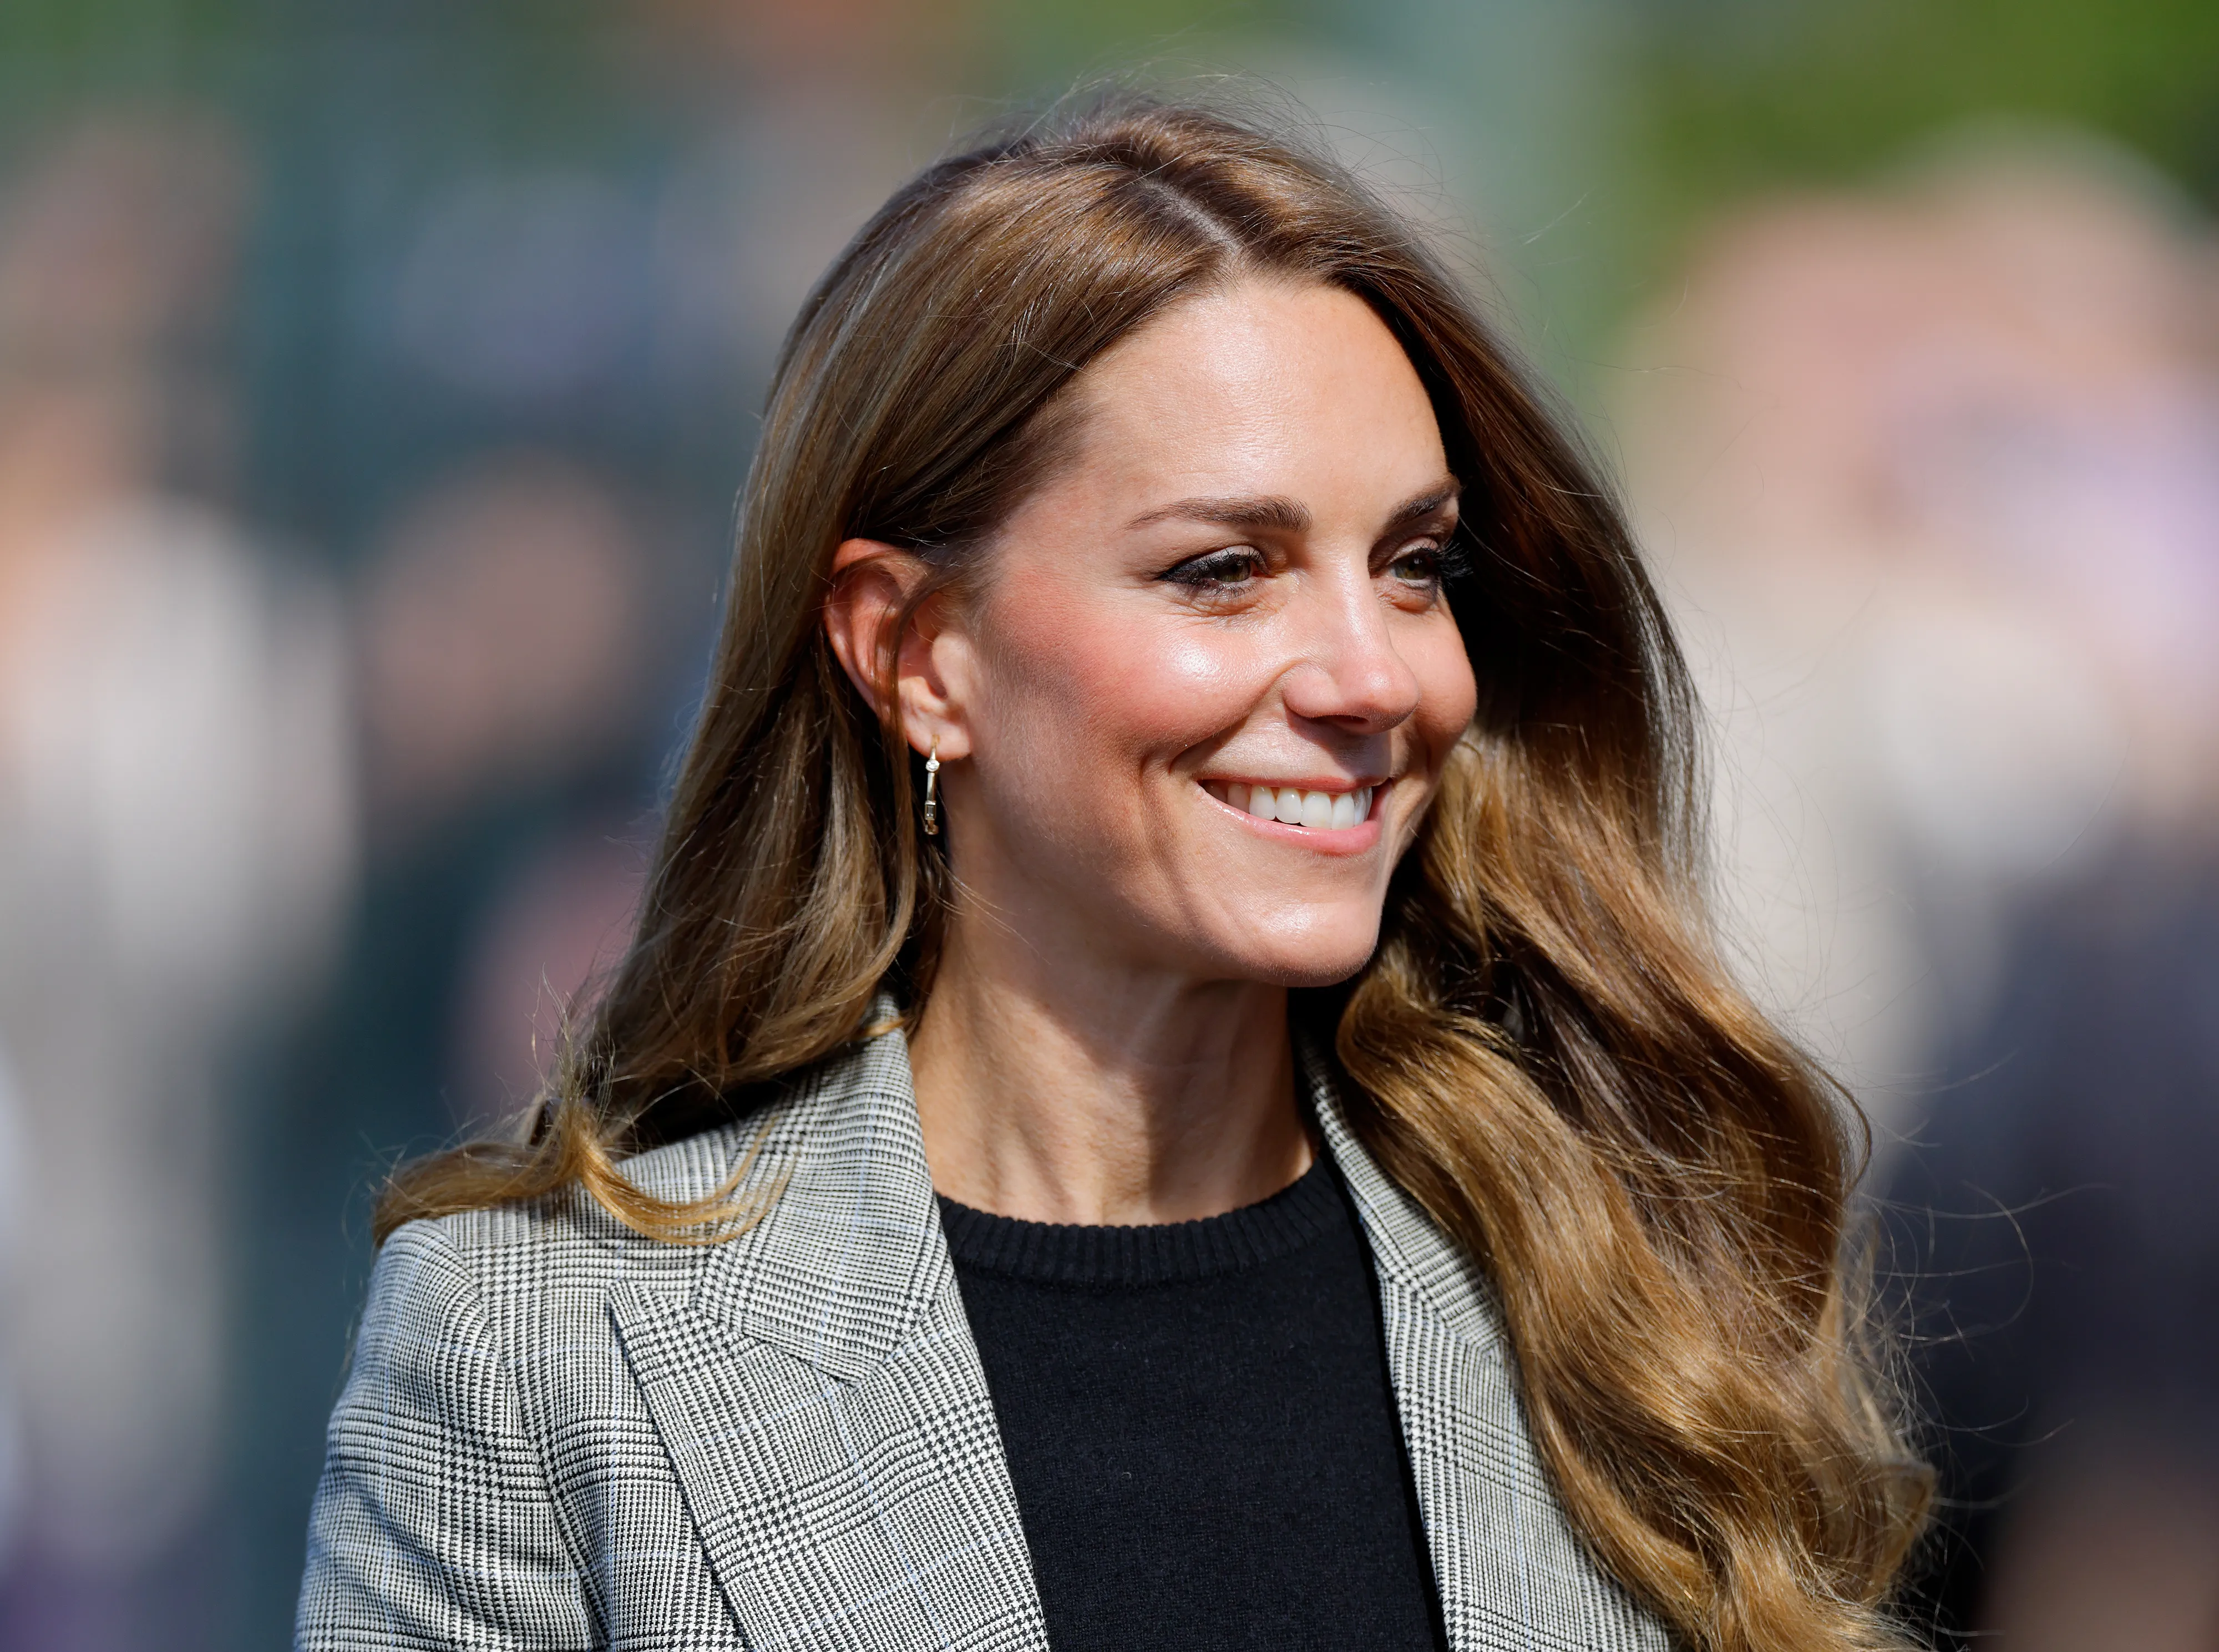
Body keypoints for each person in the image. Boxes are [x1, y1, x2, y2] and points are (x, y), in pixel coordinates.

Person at [296, 97, 1927, 1652]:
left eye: (1415, 566)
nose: (1373, 674)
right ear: (917, 654)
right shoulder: (543, 1351)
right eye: (1225, 571)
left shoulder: (1611, 1280)